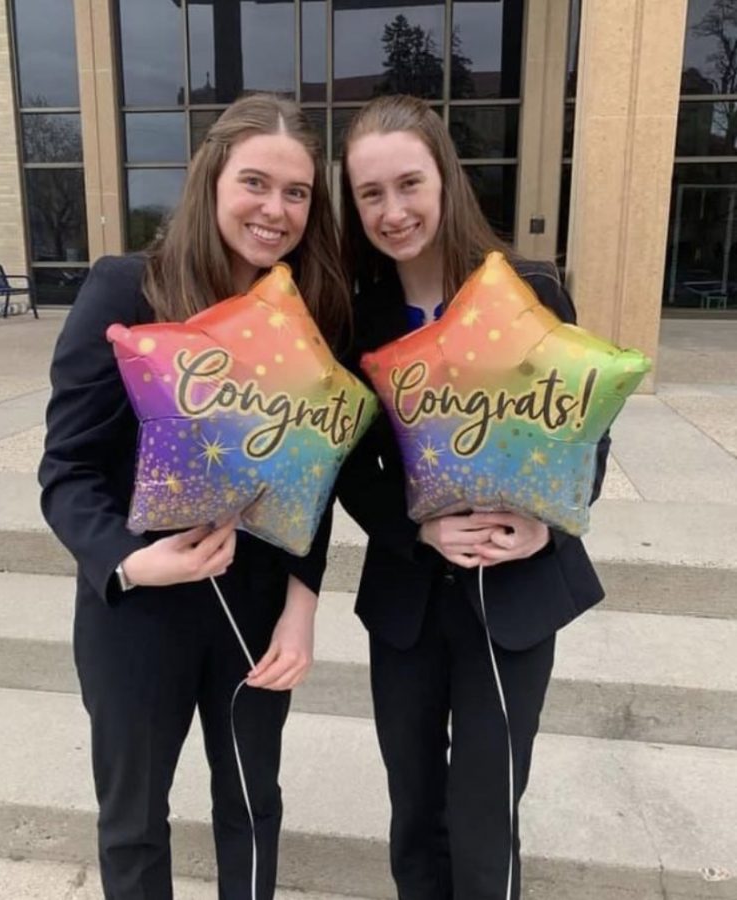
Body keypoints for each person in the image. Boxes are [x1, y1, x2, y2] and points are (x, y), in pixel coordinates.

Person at [39, 93, 350, 900]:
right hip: (136, 615)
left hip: (253, 611)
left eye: (297, 192)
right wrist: (133, 565)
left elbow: (312, 476)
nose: (275, 210)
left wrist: (302, 601)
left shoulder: (312, 313)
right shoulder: (123, 291)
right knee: (134, 819)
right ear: (211, 178)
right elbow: (66, 473)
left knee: (253, 805)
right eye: (256, 182)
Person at [337, 94, 610, 900]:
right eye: (371, 194)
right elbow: (348, 461)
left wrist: (546, 525)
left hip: (514, 595)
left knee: (486, 816)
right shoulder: (356, 316)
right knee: (415, 813)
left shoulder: (529, 290)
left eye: (409, 184)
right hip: (408, 603)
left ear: (445, 180)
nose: (394, 211)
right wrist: (414, 534)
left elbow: (585, 432)